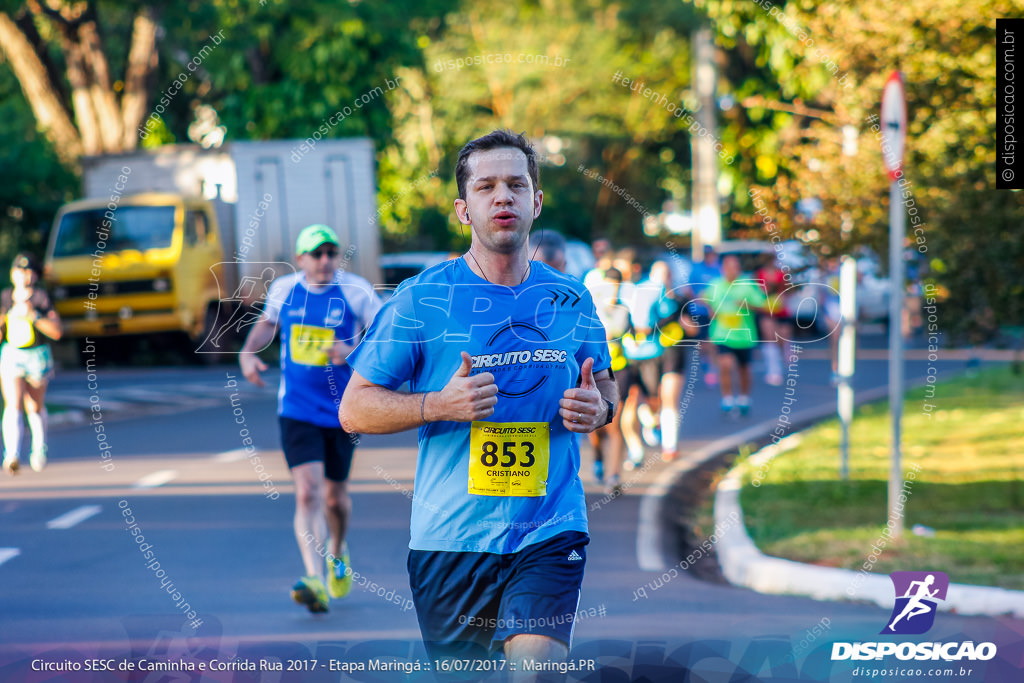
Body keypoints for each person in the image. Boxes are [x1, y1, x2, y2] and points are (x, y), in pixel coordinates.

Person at [339, 130, 617, 673]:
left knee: (534, 667)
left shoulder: (571, 297)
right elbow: (354, 408)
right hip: (451, 539)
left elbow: (605, 386)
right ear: (464, 210)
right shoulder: (423, 298)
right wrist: (438, 405)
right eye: (486, 186)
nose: (503, 197)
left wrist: (599, 408)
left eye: (516, 184)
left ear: (536, 202)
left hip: (550, 527)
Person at [239, 224, 382, 613]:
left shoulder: (355, 291)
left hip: (344, 412)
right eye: (316, 254)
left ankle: (337, 550)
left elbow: (385, 336)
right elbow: (267, 324)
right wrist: (248, 353)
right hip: (297, 410)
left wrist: (351, 349)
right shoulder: (285, 290)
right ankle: (315, 579)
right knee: (307, 492)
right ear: (301, 259)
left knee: (336, 499)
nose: (324, 261)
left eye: (331, 254)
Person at [1, 253, 62, 474]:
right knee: (13, 403)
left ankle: (39, 448)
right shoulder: (6, 297)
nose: (23, 275)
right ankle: (12, 455)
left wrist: (34, 316)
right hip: (12, 354)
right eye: (19, 270)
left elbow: (57, 331)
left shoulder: (41, 298)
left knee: (34, 406)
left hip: (37, 355)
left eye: (27, 271)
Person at [707, 254, 768, 416]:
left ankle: (744, 398)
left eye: (735, 267)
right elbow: (708, 303)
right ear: (723, 269)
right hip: (722, 334)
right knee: (725, 365)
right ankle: (727, 399)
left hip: (744, 335)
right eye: (728, 267)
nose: (731, 270)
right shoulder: (716, 285)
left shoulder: (747, 285)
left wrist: (746, 305)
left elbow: (764, 306)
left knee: (744, 369)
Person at [586, 267, 630, 492]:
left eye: (617, 287)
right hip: (590, 370)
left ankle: (614, 476)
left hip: (617, 370)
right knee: (595, 426)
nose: (613, 291)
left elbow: (620, 333)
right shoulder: (590, 308)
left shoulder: (623, 309)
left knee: (615, 422)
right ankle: (597, 456)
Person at [685, 244, 722, 386]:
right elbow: (689, 290)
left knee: (712, 340)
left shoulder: (719, 269)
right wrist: (699, 300)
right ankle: (707, 364)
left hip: (716, 311)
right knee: (703, 343)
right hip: (700, 310)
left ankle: (713, 369)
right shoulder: (696, 269)